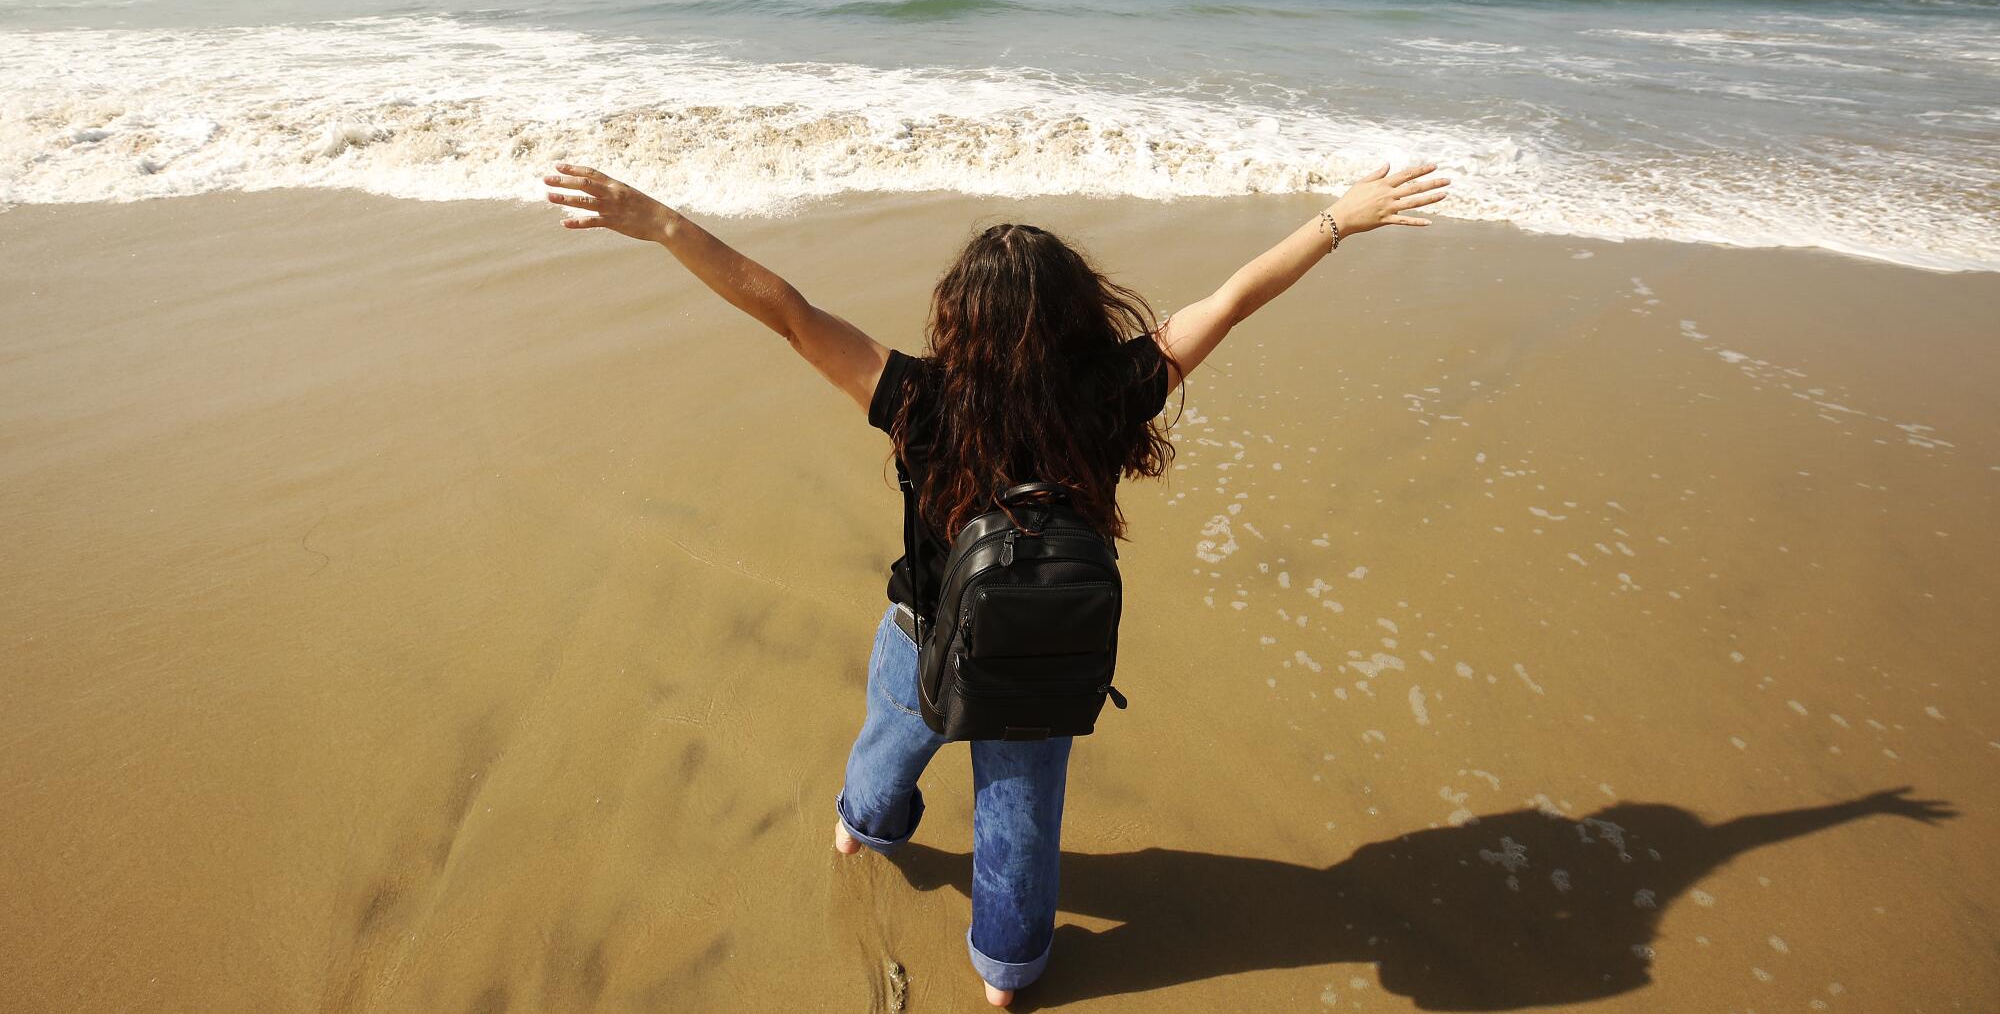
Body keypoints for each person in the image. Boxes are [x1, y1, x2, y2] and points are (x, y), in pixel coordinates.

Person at [542, 159, 1450, 1005]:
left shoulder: (919, 398)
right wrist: (1335, 221)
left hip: (928, 628)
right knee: (1020, 823)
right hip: (1046, 651)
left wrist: (662, 222)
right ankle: (1006, 973)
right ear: (1077, 312)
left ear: (957, 317)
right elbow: (1235, 299)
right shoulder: (1112, 388)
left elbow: (789, 312)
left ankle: (862, 825)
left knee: (885, 752)